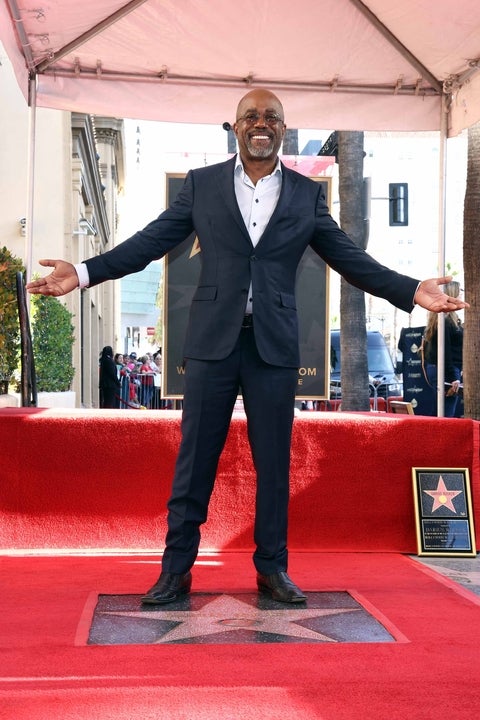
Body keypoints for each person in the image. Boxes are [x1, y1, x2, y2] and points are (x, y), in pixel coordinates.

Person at [26, 88, 468, 605]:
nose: (262, 123)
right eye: (251, 116)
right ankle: (175, 571)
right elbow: (149, 243)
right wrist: (80, 273)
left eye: (272, 117)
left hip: (274, 347)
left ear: (283, 128)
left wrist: (413, 289)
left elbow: (350, 257)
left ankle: (272, 569)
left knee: (275, 463)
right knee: (195, 461)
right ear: (235, 128)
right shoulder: (202, 186)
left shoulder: (306, 196)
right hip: (213, 342)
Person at [421, 280, 464, 417]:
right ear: (453, 294)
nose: (463, 294)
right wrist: (453, 377)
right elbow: (445, 351)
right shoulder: (445, 320)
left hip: (443, 370)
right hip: (447, 371)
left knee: (440, 411)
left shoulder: (443, 319)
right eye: (460, 291)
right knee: (446, 413)